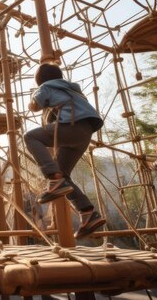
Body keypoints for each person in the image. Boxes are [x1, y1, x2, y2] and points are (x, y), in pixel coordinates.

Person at [24, 64, 105, 238]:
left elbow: (35, 105)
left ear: (39, 80)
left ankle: (52, 178)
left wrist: (33, 99)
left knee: (30, 137)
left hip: (71, 126)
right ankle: (87, 213)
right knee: (64, 175)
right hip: (85, 132)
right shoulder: (73, 90)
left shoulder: (46, 86)